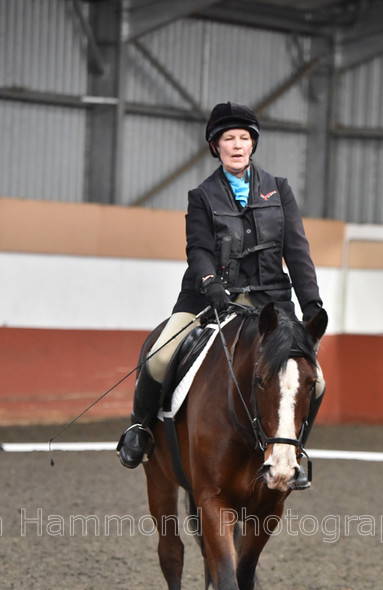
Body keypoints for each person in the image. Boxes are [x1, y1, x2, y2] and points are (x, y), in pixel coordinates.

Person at [117, 101, 326, 487]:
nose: (236, 145)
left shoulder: (279, 191)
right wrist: (211, 283)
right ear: (216, 146)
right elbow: (197, 249)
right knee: (160, 357)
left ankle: (291, 452)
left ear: (252, 144)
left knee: (317, 381)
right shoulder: (202, 195)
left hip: (270, 306)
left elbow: (297, 250)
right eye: (228, 138)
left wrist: (311, 303)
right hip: (210, 298)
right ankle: (141, 430)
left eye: (243, 138)